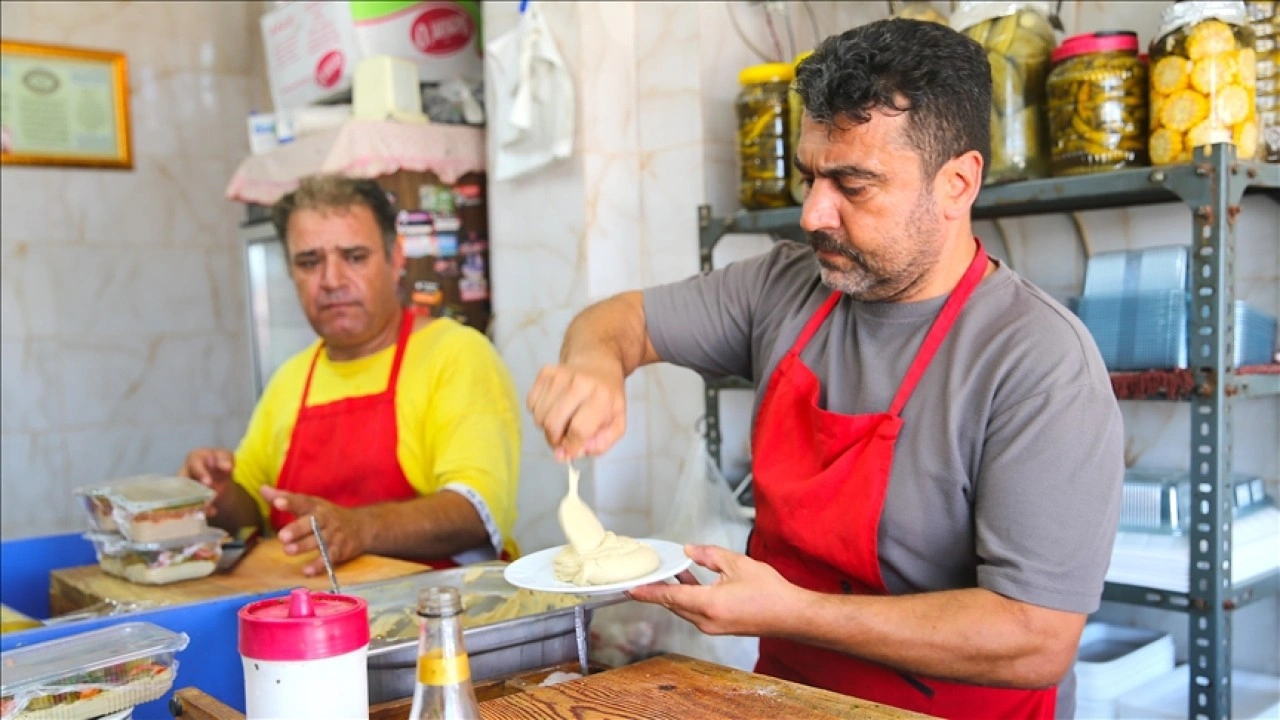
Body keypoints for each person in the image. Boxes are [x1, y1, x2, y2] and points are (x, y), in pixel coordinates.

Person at [527, 19, 1123, 720]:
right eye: (811, 175)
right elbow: (617, 320)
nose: (813, 213)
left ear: (957, 184)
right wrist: (593, 364)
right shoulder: (783, 287)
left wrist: (794, 612)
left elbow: (1037, 638)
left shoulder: (1038, 362)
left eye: (854, 185)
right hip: (782, 699)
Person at [181, 175, 521, 577]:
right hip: (316, 624)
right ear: (292, 272)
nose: (331, 281)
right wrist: (216, 493)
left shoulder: (456, 355)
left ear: (396, 260)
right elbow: (250, 508)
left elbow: (475, 512)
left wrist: (360, 528)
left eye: (355, 256)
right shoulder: (291, 378)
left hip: (440, 621)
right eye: (310, 262)